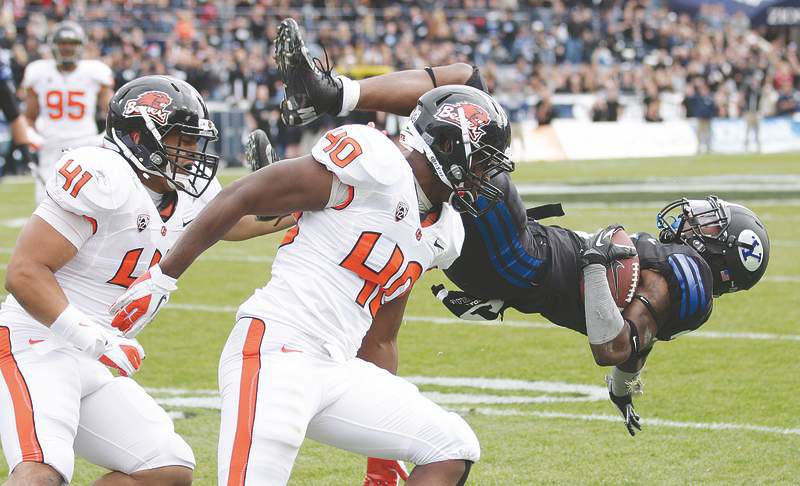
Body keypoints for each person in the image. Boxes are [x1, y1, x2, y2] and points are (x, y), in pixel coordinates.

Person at [271, 20, 771, 446]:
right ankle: (288, 200)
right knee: (413, 199)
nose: (698, 219)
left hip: (521, 259)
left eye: (712, 223)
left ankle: (329, 100)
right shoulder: (682, 291)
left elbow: (613, 346)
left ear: (722, 253)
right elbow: (633, 352)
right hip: (514, 263)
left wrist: (595, 267)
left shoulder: (691, 278)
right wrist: (623, 390)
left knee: (469, 102)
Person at [110, 74, 517, 483]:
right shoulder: (375, 161)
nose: (488, 176)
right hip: (276, 351)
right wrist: (162, 278)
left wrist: (382, 462)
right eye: (483, 159)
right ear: (447, 146)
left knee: (452, 446)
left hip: (338, 369)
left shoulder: (446, 233)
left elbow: (380, 338)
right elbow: (241, 196)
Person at [1, 75, 276, 486]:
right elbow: (24, 273)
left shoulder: (182, 190)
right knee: (43, 469)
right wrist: (94, 337)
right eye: (181, 140)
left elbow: (238, 220)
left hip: (91, 358)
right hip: (36, 344)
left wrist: (298, 202)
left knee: (166, 465)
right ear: (139, 136)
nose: (192, 153)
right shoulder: (104, 175)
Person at [20, 21, 114, 202]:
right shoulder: (37, 71)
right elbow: (29, 117)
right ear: (54, 46)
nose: (67, 48)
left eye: (72, 43)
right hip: (50, 143)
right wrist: (32, 137)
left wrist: (102, 139)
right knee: (45, 202)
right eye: (62, 43)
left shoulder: (94, 71)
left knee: (87, 200)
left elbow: (113, 114)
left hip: (85, 143)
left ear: (80, 46)